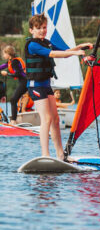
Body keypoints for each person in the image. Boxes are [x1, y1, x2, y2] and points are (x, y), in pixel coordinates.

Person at [25, 14, 92, 160]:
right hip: (35, 86)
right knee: (47, 118)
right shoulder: (33, 45)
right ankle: (45, 155)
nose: (42, 31)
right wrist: (76, 53)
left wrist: (79, 47)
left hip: (46, 85)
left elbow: (65, 52)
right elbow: (54, 54)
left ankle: (61, 155)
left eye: (44, 27)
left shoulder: (46, 42)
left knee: (55, 119)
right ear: (31, 30)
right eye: (38, 28)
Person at [1, 45, 27, 125]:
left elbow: (18, 74)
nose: (3, 55)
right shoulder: (10, 62)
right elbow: (2, 66)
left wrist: (7, 74)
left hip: (25, 82)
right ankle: (14, 120)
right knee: (14, 100)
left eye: (4, 54)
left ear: (9, 54)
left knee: (13, 99)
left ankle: (13, 121)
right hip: (23, 82)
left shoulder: (15, 62)